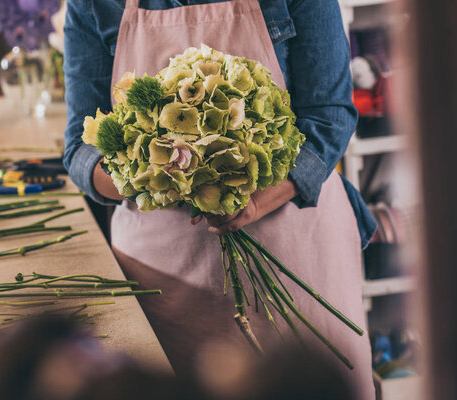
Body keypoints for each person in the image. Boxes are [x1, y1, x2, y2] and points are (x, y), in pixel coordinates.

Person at [63, 1, 377, 399]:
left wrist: (257, 201)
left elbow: (329, 115)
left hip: (293, 248)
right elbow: (79, 147)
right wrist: (147, 174)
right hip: (167, 279)